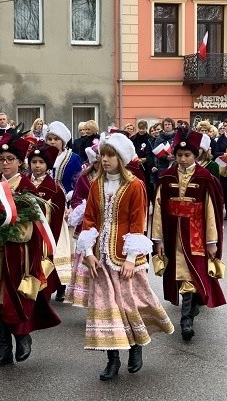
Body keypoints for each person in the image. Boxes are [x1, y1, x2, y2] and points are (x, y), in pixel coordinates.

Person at [77, 132, 173, 381]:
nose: (105, 160)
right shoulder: (96, 184)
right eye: (103, 155)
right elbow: (89, 218)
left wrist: (131, 257)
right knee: (106, 307)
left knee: (129, 304)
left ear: (121, 158)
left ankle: (135, 348)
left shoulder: (134, 185)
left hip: (125, 257)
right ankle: (112, 359)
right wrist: (88, 251)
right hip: (100, 257)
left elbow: (137, 222)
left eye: (110, 155)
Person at [0, 131, 61, 369]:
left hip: (19, 253)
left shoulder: (26, 187)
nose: (5, 163)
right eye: (1, 159)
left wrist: (10, 231)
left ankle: (22, 337)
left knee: (13, 299)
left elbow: (34, 223)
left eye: (10, 159)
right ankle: (2, 350)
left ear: (19, 162)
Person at [151, 130, 226, 342]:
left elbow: (211, 212)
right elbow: (157, 210)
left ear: (196, 156)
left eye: (188, 155)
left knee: (192, 274)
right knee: (181, 274)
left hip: (196, 234)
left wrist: (212, 242)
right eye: (180, 155)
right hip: (173, 232)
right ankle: (190, 311)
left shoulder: (205, 178)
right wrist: (158, 239)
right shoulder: (166, 177)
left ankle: (186, 320)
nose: (183, 159)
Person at [46, 121, 83, 300]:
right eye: (50, 139)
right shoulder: (42, 156)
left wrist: (71, 201)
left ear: (63, 141)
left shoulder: (73, 158)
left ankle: (62, 283)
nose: (52, 142)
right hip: (45, 205)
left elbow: (79, 181)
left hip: (65, 206)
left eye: (56, 139)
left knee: (64, 245)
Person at [27, 142, 66, 300]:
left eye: (41, 162)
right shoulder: (23, 184)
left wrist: (52, 242)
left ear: (48, 165)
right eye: (34, 162)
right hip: (27, 235)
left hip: (45, 237)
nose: (37, 166)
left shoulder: (55, 189)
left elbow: (56, 220)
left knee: (44, 267)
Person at [66, 144, 99, 307]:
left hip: (107, 227)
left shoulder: (113, 177)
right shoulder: (84, 177)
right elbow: (76, 198)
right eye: (98, 162)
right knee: (86, 262)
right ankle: (88, 299)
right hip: (87, 225)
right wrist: (83, 207)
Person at [130, 120, 155, 204]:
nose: (141, 130)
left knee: (146, 184)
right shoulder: (133, 139)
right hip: (135, 164)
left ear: (146, 128)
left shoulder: (150, 138)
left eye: (143, 128)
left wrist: (146, 159)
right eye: (140, 128)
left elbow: (152, 152)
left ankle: (146, 202)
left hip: (146, 165)